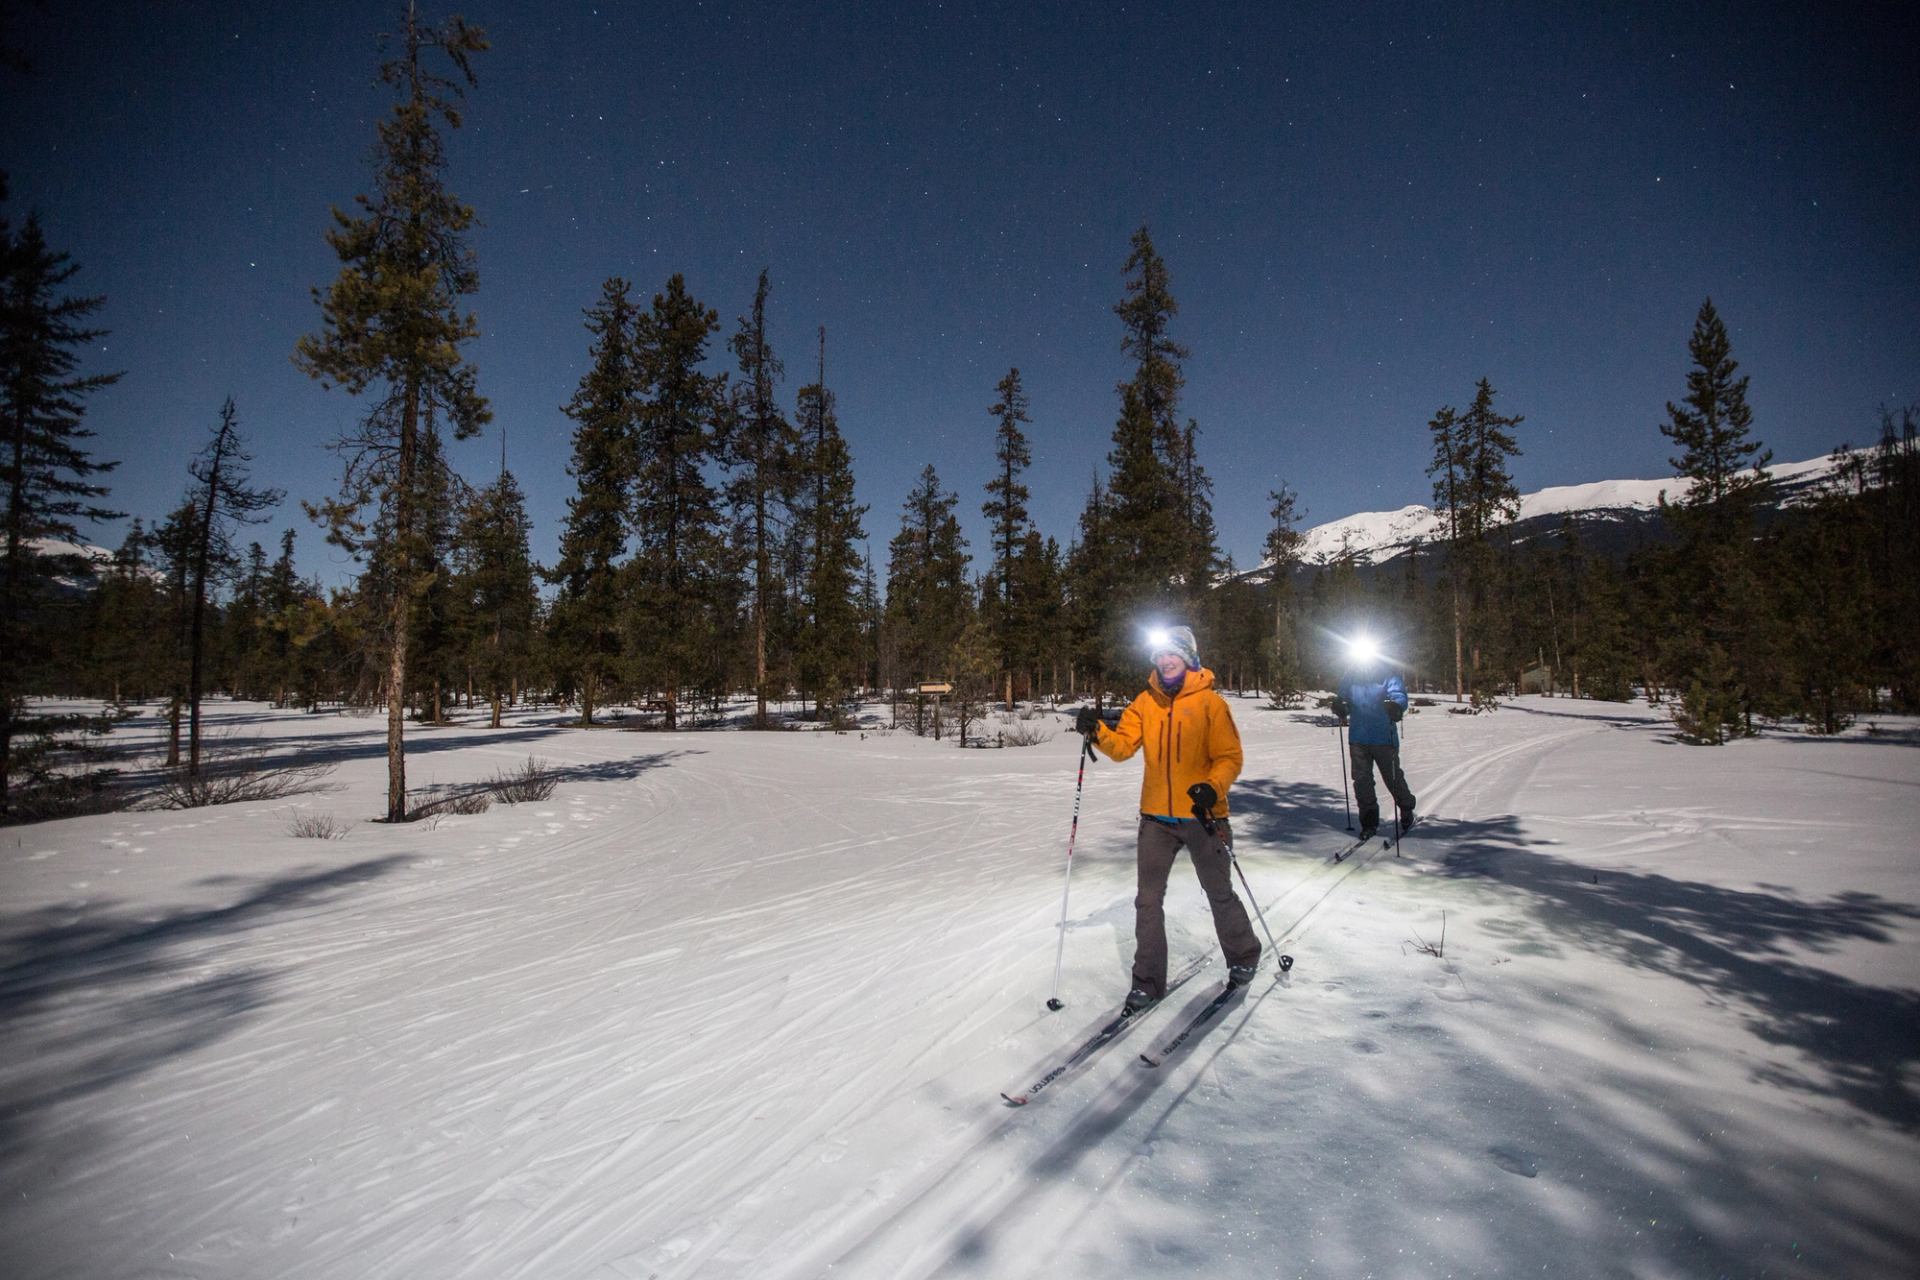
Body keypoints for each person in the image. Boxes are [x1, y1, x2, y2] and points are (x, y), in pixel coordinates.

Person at [1074, 625, 1261, 1014]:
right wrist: (1098, 733)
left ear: (1188, 656)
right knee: (1147, 900)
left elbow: (1230, 758)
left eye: (1172, 653)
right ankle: (1146, 983)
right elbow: (1124, 747)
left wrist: (1212, 787)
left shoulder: (1210, 704)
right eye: (1159, 655)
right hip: (1156, 818)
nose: (1165, 660)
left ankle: (1243, 954)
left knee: (1218, 892)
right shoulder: (1145, 702)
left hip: (1203, 816)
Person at [1329, 651, 1416, 841]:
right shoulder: (1351, 677)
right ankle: (1369, 823)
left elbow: (1399, 695)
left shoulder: (1387, 675)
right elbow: (1343, 697)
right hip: (1358, 738)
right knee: (1362, 782)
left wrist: (1396, 707)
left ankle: (1406, 807)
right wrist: (1340, 706)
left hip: (1383, 737)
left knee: (1392, 778)